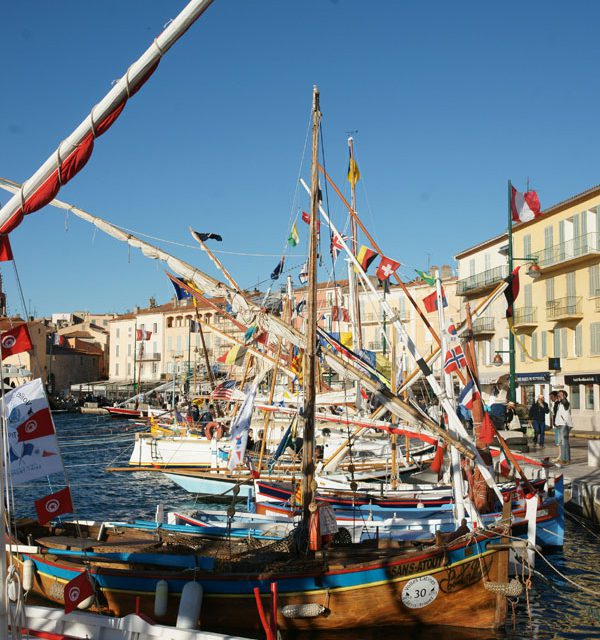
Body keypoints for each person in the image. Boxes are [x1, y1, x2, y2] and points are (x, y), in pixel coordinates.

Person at [554, 390, 572, 464]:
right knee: (562, 442)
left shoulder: (566, 403)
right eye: (558, 395)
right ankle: (563, 459)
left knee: (565, 442)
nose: (559, 396)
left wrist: (562, 397)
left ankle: (566, 460)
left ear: (564, 396)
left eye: (561, 394)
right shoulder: (559, 404)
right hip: (560, 424)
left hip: (564, 424)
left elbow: (565, 403)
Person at [549, 390, 560, 456]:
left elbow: (557, 414)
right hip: (556, 421)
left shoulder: (558, 403)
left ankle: (558, 445)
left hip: (558, 422)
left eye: (552, 397)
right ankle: (557, 445)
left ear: (556, 396)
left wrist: (555, 421)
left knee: (558, 435)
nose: (551, 398)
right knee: (556, 434)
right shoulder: (555, 403)